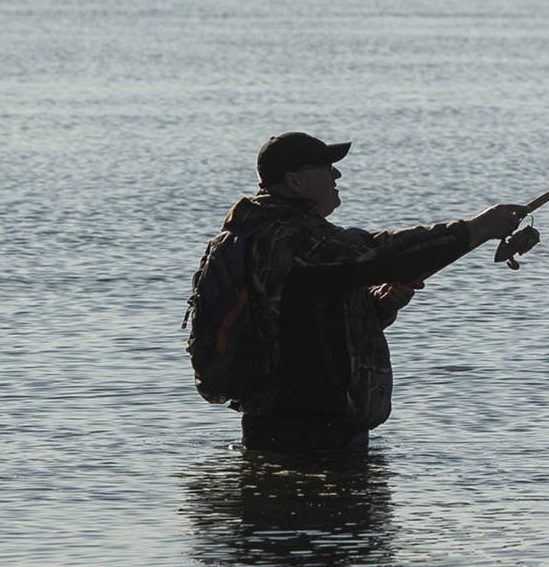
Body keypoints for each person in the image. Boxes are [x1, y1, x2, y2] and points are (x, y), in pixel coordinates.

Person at [209, 131, 524, 452]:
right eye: (324, 167)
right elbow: (384, 254)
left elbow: (303, 315)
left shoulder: (255, 233)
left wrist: (379, 305)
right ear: (294, 182)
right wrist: (477, 228)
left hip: (284, 422)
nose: (336, 174)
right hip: (308, 432)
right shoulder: (292, 239)